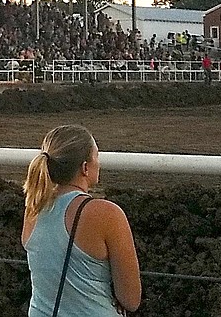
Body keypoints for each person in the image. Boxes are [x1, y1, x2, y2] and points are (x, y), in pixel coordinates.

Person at [21, 125, 141, 316]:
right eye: (96, 157)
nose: (99, 164)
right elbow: (131, 299)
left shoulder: (33, 209)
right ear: (85, 167)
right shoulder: (106, 214)